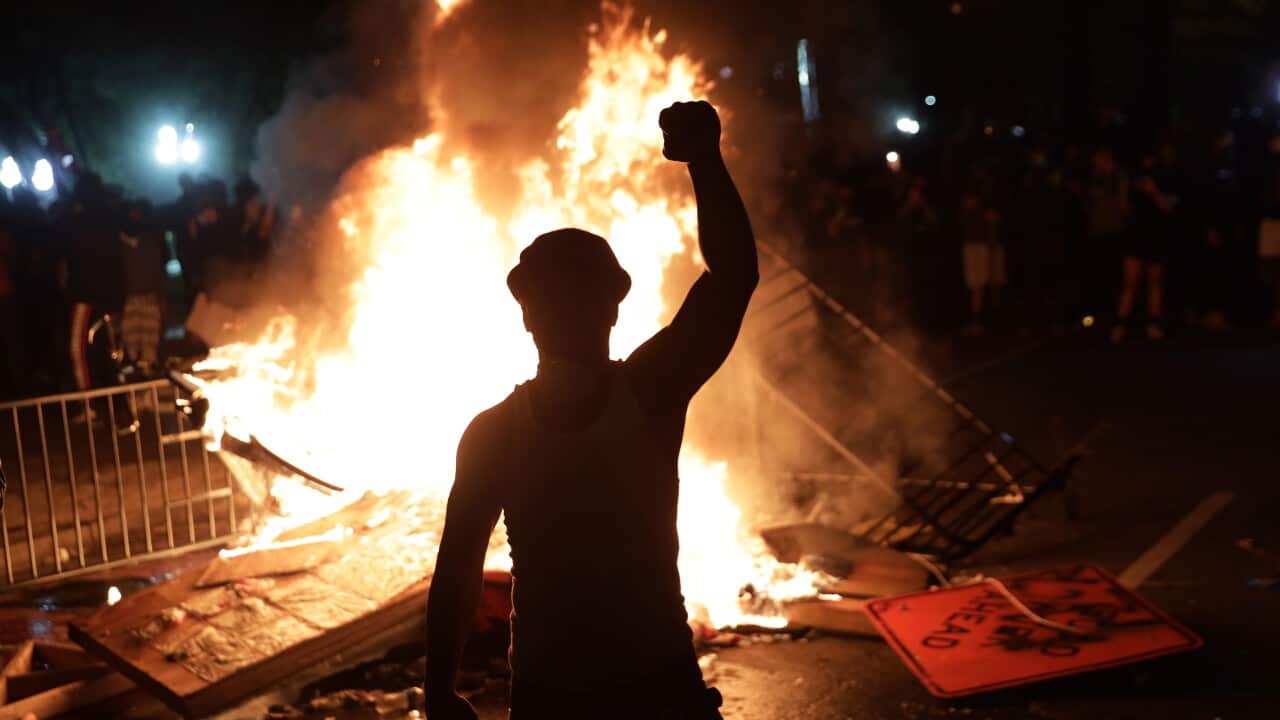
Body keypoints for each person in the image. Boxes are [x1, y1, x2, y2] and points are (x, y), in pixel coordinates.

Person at [424, 101, 751, 720]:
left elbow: (458, 570)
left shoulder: (496, 433)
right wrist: (703, 162)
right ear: (615, 308)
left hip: (588, 695)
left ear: (526, 315)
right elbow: (732, 277)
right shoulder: (650, 391)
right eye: (562, 301)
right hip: (633, 693)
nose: (568, 312)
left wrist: (440, 687)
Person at [1111, 147, 1178, 342]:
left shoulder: (1165, 177)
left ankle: (1153, 323)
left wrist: (1153, 191)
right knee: (1130, 281)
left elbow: (1169, 206)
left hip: (1157, 234)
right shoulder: (1132, 178)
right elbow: (1124, 209)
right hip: (1136, 234)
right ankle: (1121, 324)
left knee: (1155, 281)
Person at [119, 201, 168, 374]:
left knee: (150, 343)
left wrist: (161, 299)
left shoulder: (149, 243)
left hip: (149, 298)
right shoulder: (118, 247)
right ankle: (134, 379)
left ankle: (149, 378)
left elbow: (158, 272)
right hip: (128, 301)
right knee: (130, 342)